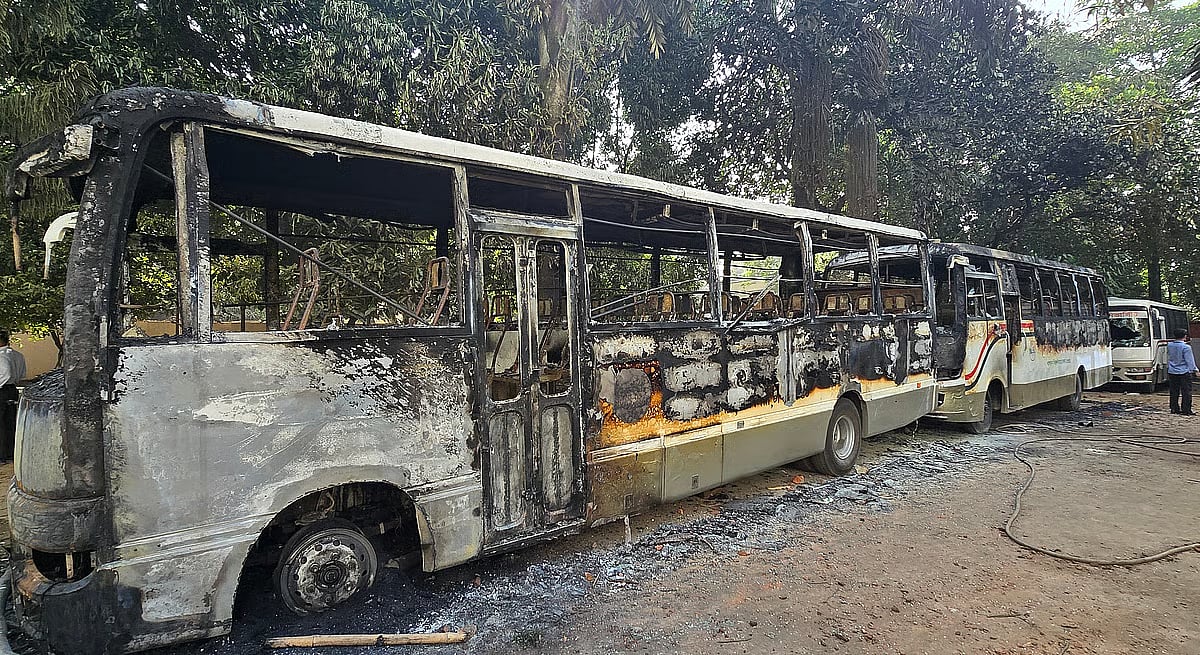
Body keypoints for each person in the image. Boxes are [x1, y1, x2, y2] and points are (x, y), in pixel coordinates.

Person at [0, 330, 28, 462]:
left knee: (2, 424)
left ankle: (2, 455)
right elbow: (22, 374)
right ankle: (10, 453)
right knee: (10, 422)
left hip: (2, 389)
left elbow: (6, 373)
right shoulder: (18, 355)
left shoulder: (1, 356)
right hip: (12, 389)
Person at [1166, 328, 1199, 416]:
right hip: (1184, 372)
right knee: (1186, 391)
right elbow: (1189, 360)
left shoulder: (1169, 345)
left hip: (1172, 371)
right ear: (1185, 336)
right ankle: (1186, 409)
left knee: (1174, 391)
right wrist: (1195, 370)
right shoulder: (1186, 347)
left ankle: (1174, 408)